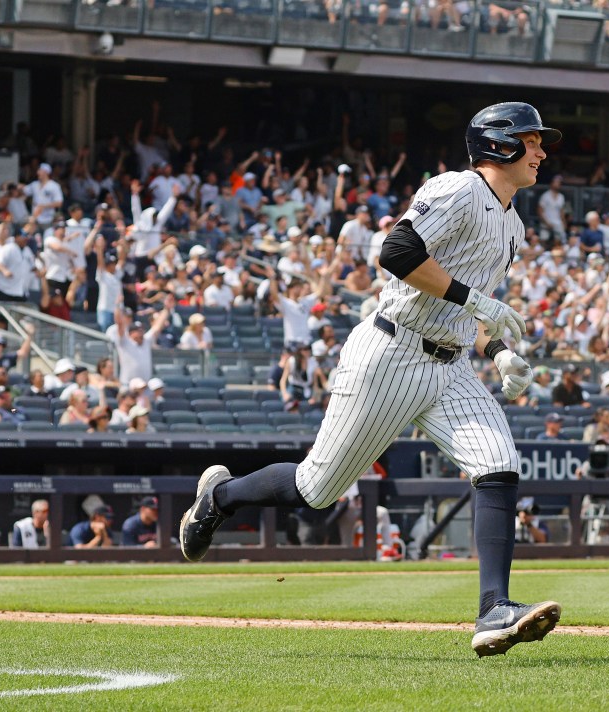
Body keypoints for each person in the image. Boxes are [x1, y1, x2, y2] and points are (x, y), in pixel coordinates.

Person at [179, 102, 561, 657]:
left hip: (450, 364)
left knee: (498, 466)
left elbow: (464, 307)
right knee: (317, 488)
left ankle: (493, 609)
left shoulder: (513, 221)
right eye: (532, 140)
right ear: (500, 144)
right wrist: (476, 301)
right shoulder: (458, 189)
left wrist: (498, 350)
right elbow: (397, 253)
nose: (542, 151)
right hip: (392, 354)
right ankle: (221, 496)